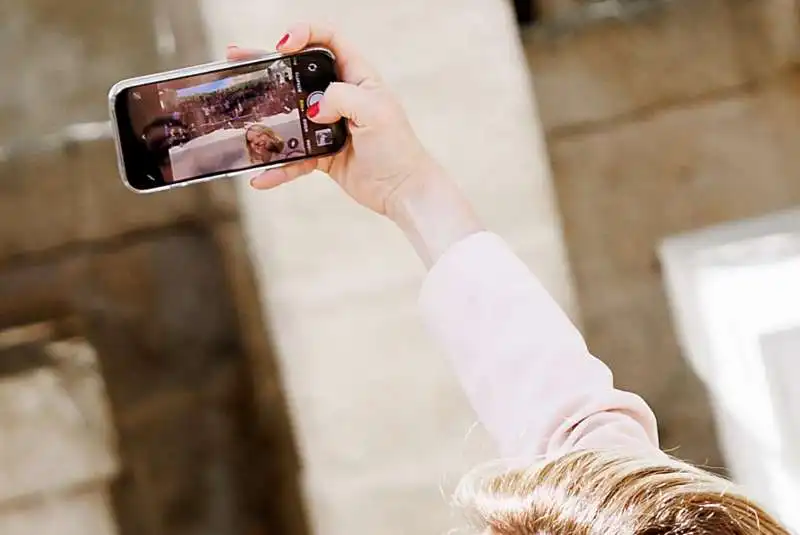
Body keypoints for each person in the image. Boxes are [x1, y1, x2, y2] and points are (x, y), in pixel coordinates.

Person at [227, 23, 791, 535]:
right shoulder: (622, 515)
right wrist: (405, 185)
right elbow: (575, 431)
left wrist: (412, 190)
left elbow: (574, 429)